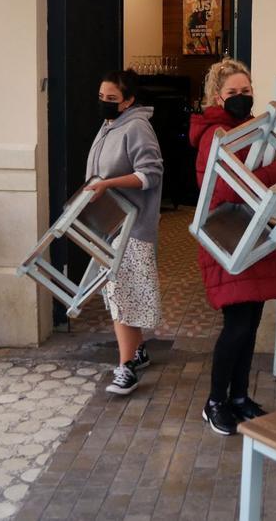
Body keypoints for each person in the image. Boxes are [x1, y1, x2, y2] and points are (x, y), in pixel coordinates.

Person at [189, 59, 276, 436]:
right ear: (217, 96)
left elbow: (248, 182)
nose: (241, 98)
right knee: (236, 326)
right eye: (233, 93)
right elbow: (230, 189)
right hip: (228, 235)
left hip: (253, 234)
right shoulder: (216, 133)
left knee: (250, 324)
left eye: (247, 92)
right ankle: (215, 401)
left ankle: (240, 397)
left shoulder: (249, 129)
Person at [85, 69, 164, 396]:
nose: (104, 103)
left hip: (131, 227)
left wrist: (107, 184)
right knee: (121, 293)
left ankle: (127, 366)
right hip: (113, 226)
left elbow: (151, 174)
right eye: (101, 97)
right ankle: (137, 351)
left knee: (123, 296)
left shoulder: (136, 128)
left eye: (111, 99)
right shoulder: (111, 125)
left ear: (129, 100)